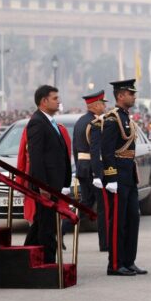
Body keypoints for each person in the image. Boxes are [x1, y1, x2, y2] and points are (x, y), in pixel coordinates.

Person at [101, 79, 147, 276]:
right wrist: (111, 178)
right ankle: (115, 264)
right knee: (118, 221)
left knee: (132, 219)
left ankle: (129, 260)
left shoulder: (126, 118)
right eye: (131, 93)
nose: (134, 96)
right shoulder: (112, 120)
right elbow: (107, 151)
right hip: (118, 176)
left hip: (129, 174)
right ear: (120, 96)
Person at [23, 85, 72, 264]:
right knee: (47, 227)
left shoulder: (49, 121)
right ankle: (49, 264)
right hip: (45, 186)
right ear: (44, 101)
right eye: (55, 98)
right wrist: (43, 186)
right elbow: (36, 158)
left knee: (40, 224)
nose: (58, 101)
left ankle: (24, 258)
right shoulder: (37, 122)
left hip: (54, 184)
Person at [64, 90, 108, 251]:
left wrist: (79, 167)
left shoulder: (80, 122)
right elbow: (96, 152)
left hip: (82, 167)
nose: (104, 107)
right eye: (102, 104)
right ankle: (105, 243)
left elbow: (75, 149)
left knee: (86, 205)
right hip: (93, 169)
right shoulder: (95, 124)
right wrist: (98, 174)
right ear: (95, 106)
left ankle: (62, 229)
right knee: (103, 208)